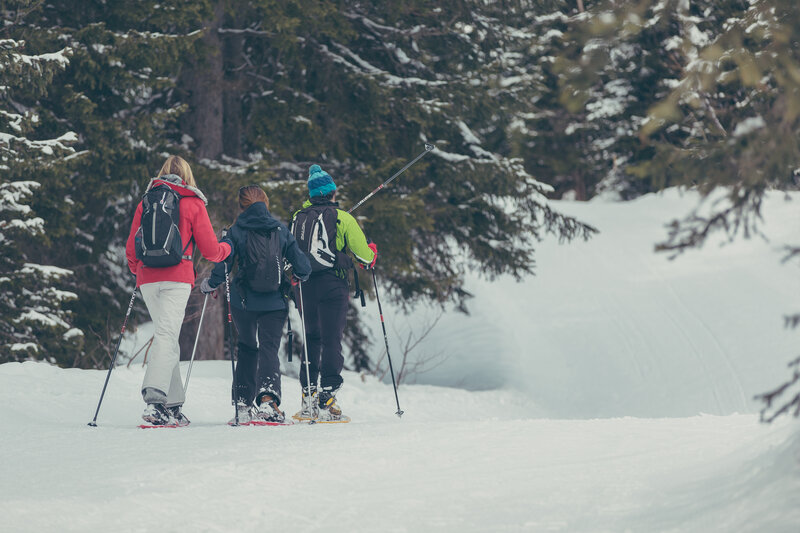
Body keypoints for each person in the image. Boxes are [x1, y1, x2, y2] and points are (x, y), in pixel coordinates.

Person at [125, 155, 232, 426]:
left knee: (167, 336)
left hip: (148, 278)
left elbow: (131, 248)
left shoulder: (146, 201)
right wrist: (227, 249)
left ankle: (172, 405)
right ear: (186, 176)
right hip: (177, 277)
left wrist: (139, 270)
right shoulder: (192, 202)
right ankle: (154, 401)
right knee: (166, 335)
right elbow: (210, 250)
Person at [200, 185, 311, 424]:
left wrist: (211, 284)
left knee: (248, 347)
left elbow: (224, 265)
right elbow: (304, 267)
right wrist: (297, 276)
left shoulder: (235, 231)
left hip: (243, 303)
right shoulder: (280, 229)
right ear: (266, 203)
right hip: (274, 303)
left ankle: (242, 404)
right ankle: (268, 402)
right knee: (269, 348)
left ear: (242, 205)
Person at [291, 164, 377, 422]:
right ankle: (327, 397)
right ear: (332, 192)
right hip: (332, 285)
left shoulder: (299, 216)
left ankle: (308, 398)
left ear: (311, 194)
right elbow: (364, 256)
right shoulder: (343, 218)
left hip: (304, 286)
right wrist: (371, 252)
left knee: (311, 338)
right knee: (331, 339)